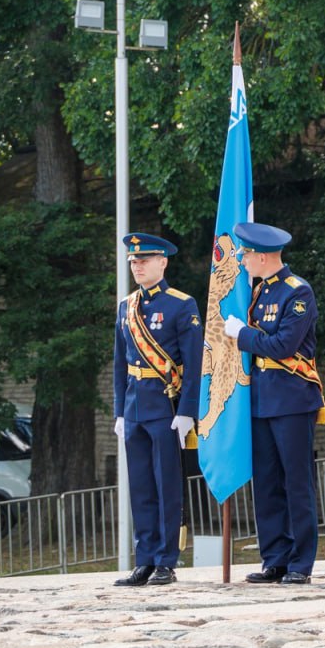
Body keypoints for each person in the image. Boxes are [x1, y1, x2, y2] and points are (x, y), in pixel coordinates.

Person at [222, 222, 325, 586]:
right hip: (262, 399)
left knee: (296, 483)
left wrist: (243, 335)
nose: (243, 260)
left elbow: (283, 346)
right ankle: (275, 558)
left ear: (262, 256)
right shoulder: (256, 293)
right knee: (266, 482)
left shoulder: (298, 293)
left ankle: (301, 561)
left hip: (293, 399)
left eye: (247, 254)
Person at [112, 233, 202, 587]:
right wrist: (120, 411)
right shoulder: (126, 307)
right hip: (135, 408)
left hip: (166, 407)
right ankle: (144, 559)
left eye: (145, 259)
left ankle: (166, 559)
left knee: (167, 485)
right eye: (134, 261)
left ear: (163, 262)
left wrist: (187, 411)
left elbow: (193, 365)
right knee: (141, 488)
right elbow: (121, 363)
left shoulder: (182, 305)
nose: (137, 265)